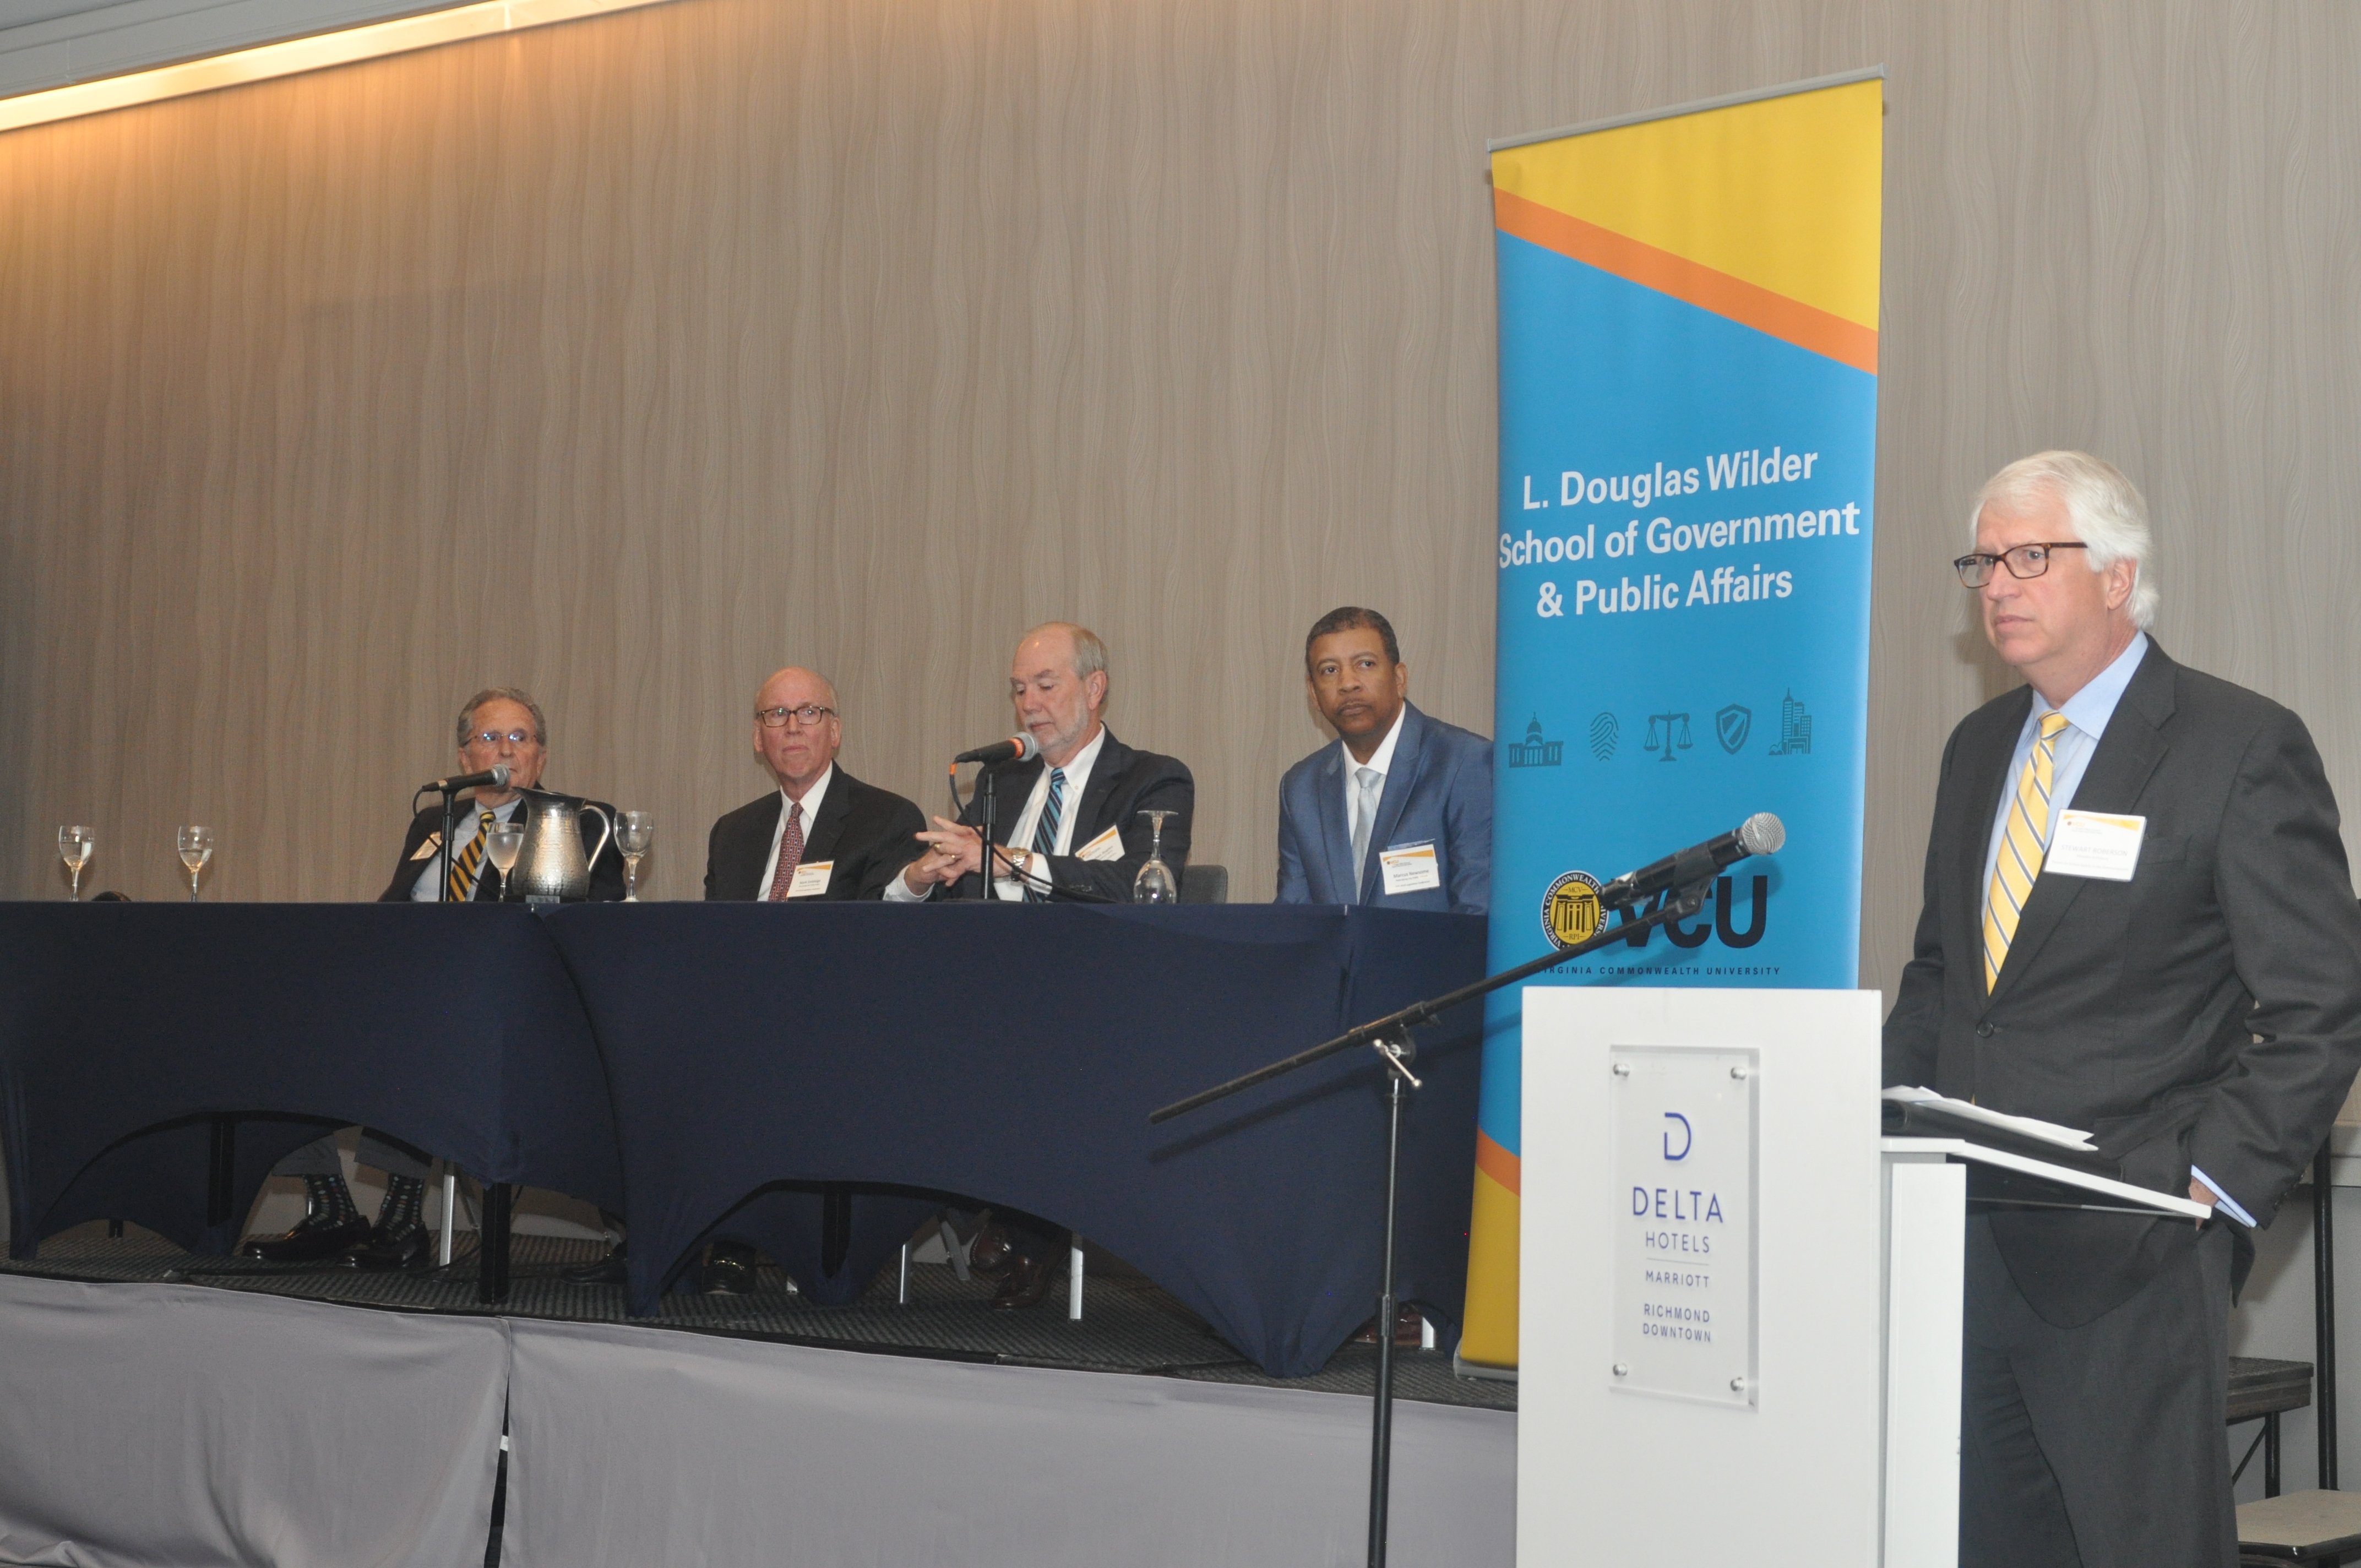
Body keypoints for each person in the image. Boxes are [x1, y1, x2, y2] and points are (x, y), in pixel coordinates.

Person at [1884, 451, 2361, 1567]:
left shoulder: (2234, 746)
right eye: (1982, 560)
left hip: (2131, 1247)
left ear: (2114, 575)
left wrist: (2210, 1190)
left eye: (2026, 555)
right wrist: (1883, 1137)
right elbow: (1943, 981)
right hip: (1963, 1242)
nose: (1995, 582)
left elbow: (2317, 998)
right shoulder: (1974, 750)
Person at [242, 687, 625, 1273]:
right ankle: (331, 1206)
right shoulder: (433, 821)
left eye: (519, 737)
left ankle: (400, 1217)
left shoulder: (573, 822)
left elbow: (589, 933)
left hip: (494, 1013)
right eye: (489, 738)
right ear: (465, 758)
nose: (505, 749)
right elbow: (390, 918)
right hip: (406, 994)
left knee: (421, 1032)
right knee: (282, 1024)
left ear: (541, 757)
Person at [890, 622, 1194, 1307]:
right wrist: (915, 880)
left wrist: (1007, 859)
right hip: (992, 1000)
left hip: (1098, 1001)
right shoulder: (999, 781)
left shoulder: (1154, 779)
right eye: (1019, 689)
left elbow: (1134, 885)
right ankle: (986, 1209)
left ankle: (1027, 1223)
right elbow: (956, 892)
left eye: (1046, 685)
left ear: (1095, 688)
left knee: (1042, 1052)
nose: (1029, 704)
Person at [621, 667, 924, 1294]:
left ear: (834, 732)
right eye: (775, 716)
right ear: (757, 739)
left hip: (832, 1020)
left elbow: (878, 946)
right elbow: (714, 945)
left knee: (748, 1064)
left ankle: (748, 1240)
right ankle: (678, 1234)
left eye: (808, 712)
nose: (791, 727)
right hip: (737, 1015)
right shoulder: (734, 831)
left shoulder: (885, 817)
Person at [1276, 606, 1492, 915]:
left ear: (1399, 678)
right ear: (1313, 693)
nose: (1348, 683)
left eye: (1365, 664)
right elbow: (1294, 920)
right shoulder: (1300, 788)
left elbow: (1477, 913)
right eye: (1329, 670)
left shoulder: (1464, 764)